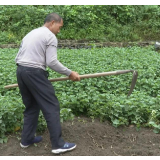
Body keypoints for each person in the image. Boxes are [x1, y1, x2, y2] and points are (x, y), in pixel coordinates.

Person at [15, 12, 81, 154]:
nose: (59, 30)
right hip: (34, 72)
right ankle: (58, 145)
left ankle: (26, 140)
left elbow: (20, 56)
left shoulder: (32, 33)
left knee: (32, 106)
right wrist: (70, 73)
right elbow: (51, 62)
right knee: (51, 106)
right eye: (59, 26)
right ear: (52, 22)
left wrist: (27, 73)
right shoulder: (50, 36)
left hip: (21, 71)